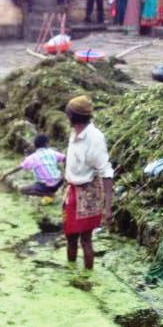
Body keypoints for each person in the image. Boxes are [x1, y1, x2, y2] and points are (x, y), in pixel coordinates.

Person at [63, 95, 114, 271]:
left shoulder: (94, 138)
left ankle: (87, 277)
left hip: (89, 192)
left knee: (85, 239)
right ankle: (71, 272)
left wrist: (108, 207)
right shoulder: (74, 132)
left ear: (73, 117)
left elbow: (106, 172)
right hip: (72, 191)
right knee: (70, 236)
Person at [0, 134, 66, 197]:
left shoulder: (32, 157)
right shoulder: (52, 152)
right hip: (59, 182)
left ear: (35, 146)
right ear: (46, 144)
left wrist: (5, 174)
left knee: (22, 190)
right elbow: (65, 158)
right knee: (56, 176)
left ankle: (47, 194)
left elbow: (18, 168)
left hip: (45, 186)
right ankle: (51, 192)